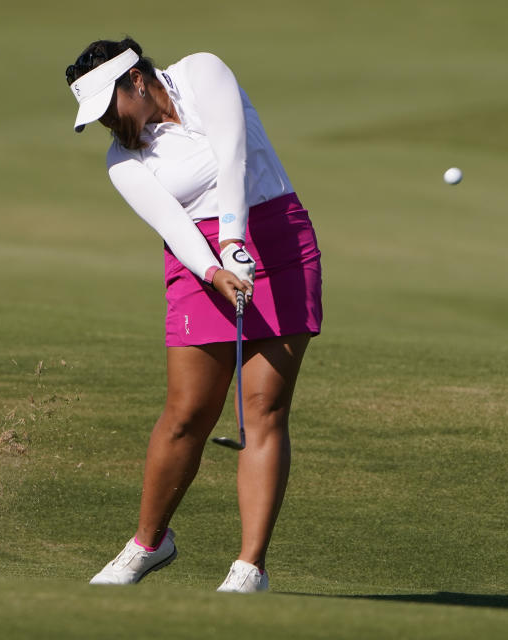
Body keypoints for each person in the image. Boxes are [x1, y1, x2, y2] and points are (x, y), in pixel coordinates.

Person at [65, 37, 322, 593]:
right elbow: (173, 225)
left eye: (110, 108)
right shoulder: (123, 160)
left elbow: (234, 154)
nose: (110, 124)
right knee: (186, 416)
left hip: (275, 237)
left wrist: (236, 240)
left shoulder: (202, 71)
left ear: (135, 80)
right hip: (198, 260)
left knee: (264, 408)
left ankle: (248, 568)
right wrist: (214, 268)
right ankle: (149, 544)